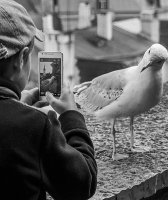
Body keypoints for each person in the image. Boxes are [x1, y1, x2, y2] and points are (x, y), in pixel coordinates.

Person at [0, 0, 97, 200]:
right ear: (21, 59)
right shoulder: (33, 125)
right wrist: (72, 116)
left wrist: (15, 104)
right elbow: (81, 184)